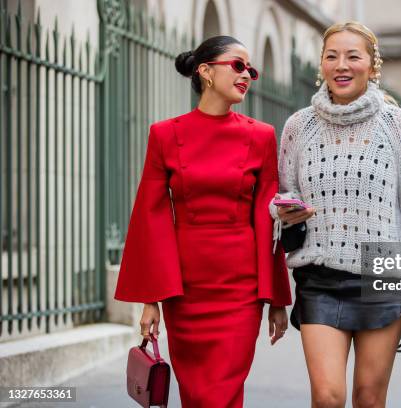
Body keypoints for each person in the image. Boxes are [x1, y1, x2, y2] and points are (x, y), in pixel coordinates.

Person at [271, 22, 401, 408]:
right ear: (321, 65)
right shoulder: (298, 127)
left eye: (353, 56)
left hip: (383, 282)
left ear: (372, 65)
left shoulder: (398, 125)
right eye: (332, 56)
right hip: (319, 279)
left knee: (368, 398)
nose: (341, 64)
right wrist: (284, 208)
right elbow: (285, 193)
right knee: (328, 396)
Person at [114, 36, 292, 407]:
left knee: (223, 389)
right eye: (238, 66)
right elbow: (151, 215)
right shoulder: (164, 134)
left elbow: (268, 221)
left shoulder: (261, 137)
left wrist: (275, 297)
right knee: (196, 394)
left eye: (251, 70)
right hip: (186, 290)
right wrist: (151, 300)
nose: (247, 76)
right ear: (205, 71)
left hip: (240, 291)